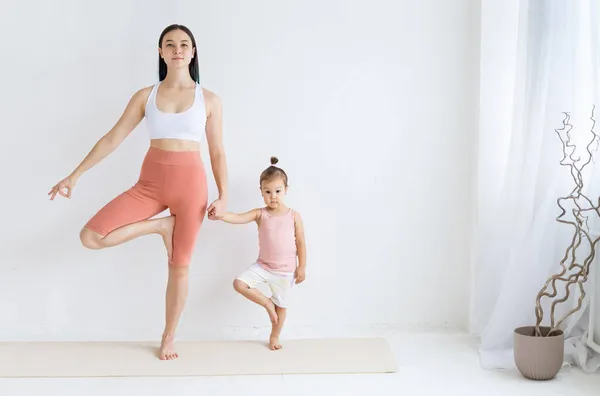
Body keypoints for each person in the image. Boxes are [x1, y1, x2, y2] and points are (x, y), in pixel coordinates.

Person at [47, 24, 228, 360]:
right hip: (149, 185)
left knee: (180, 265)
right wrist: (75, 175)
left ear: (193, 52)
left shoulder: (210, 100)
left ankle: (169, 336)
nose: (177, 49)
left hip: (191, 188)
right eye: (170, 44)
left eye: (184, 44)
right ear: (160, 52)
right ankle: (160, 226)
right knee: (91, 236)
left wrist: (223, 195)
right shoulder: (146, 95)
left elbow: (217, 152)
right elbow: (112, 138)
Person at [213, 157, 306, 350]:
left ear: (286, 190)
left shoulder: (294, 216)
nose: (273, 196)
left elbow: (301, 242)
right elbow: (238, 217)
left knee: (282, 309)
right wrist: (221, 215)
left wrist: (302, 266)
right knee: (239, 284)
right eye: (268, 192)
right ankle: (266, 303)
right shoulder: (260, 214)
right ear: (261, 192)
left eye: (278, 191)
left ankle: (274, 337)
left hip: (285, 272)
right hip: (263, 266)